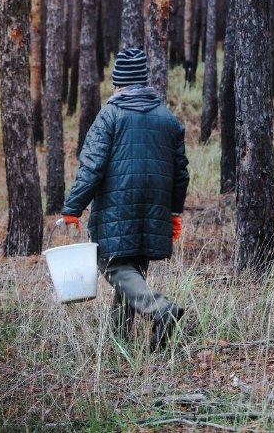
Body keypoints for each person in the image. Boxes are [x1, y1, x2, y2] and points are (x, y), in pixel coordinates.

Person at [60, 47, 190, 352]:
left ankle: (161, 309)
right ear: (143, 81)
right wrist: (173, 212)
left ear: (119, 83)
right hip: (155, 209)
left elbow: (92, 166)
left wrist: (72, 208)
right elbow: (181, 173)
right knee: (133, 271)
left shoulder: (110, 115)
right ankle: (120, 343)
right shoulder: (168, 119)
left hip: (117, 210)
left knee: (112, 263)